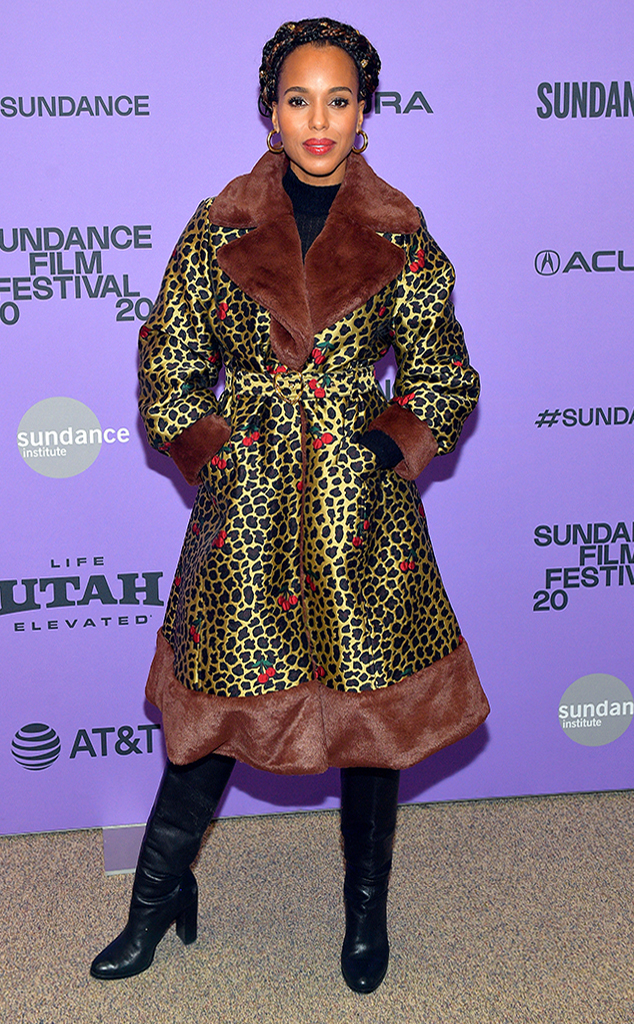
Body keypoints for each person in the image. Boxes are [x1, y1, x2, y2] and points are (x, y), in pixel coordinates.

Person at [90, 16, 489, 993]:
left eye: (338, 100)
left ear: (363, 113)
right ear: (271, 112)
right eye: (299, 100)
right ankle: (155, 900)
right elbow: (169, 365)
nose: (318, 120)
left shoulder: (401, 233)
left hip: (361, 519)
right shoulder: (217, 225)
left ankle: (365, 913)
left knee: (372, 726)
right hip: (250, 507)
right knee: (212, 720)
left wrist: (381, 446)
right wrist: (219, 454)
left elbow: (444, 374)